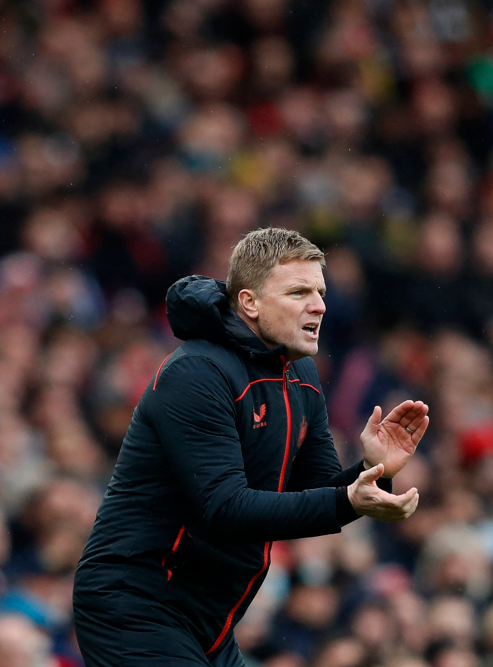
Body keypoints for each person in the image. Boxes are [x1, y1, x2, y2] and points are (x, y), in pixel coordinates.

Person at [72, 228, 429, 667]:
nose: (318, 304)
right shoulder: (198, 373)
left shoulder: (302, 377)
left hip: (211, 619)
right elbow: (225, 508)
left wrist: (371, 470)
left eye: (319, 291)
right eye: (298, 291)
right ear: (250, 303)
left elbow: (313, 494)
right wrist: (348, 498)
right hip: (135, 604)